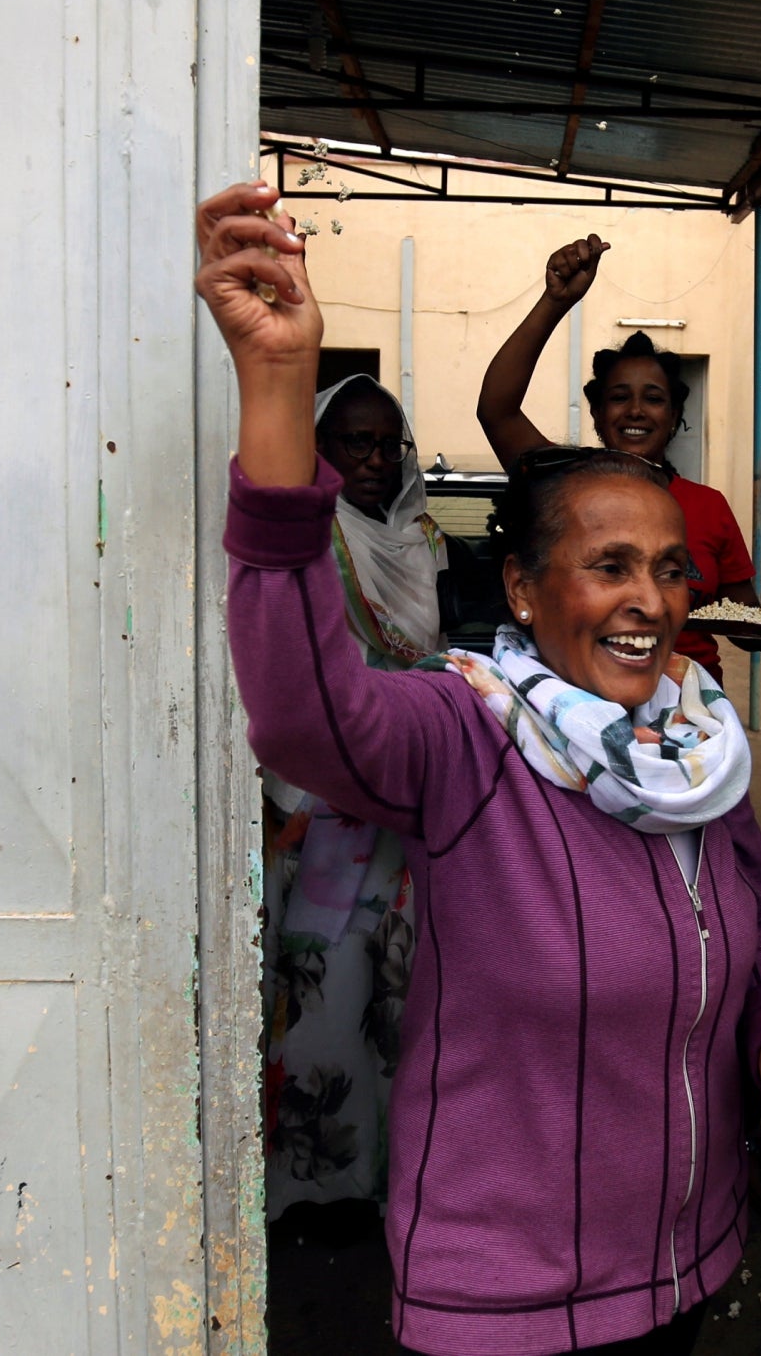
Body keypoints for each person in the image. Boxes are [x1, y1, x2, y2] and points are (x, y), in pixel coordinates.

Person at [199, 183, 761, 1356]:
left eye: (666, 568)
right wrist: (276, 393)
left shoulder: (698, 739)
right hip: (504, 1293)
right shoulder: (465, 733)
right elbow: (307, 715)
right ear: (521, 588)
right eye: (606, 564)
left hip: (688, 1258)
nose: (648, 598)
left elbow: (757, 908)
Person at [263, 375, 443, 1218]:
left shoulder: (421, 537)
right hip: (326, 798)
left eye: (388, 444)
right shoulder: (312, 535)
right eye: (355, 443)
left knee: (399, 986)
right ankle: (318, 1185)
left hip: (409, 787)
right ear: (321, 449)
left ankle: (387, 1179)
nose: (375, 460)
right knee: (325, 987)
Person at [475, 235, 761, 677]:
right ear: (595, 411)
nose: (635, 411)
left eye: (653, 398)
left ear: (674, 415)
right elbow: (496, 409)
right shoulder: (565, 485)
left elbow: (750, 623)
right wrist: (554, 302)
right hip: (585, 698)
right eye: (619, 397)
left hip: (691, 711)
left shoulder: (709, 506)